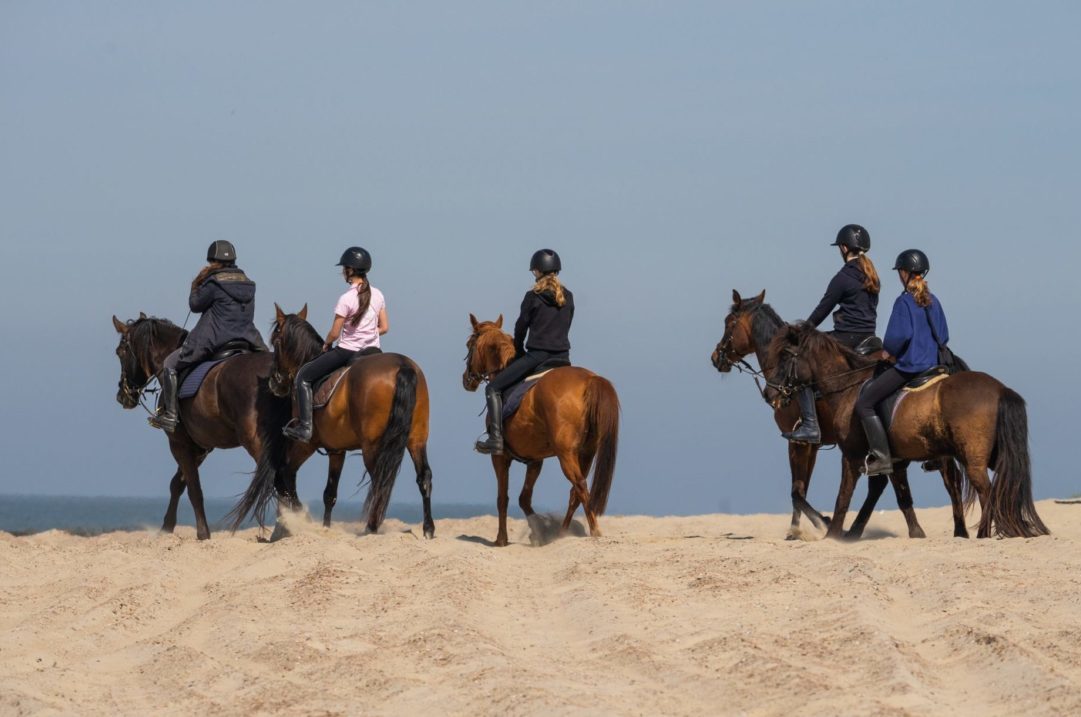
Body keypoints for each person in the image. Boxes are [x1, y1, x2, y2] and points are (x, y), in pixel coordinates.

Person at [149, 241, 269, 432]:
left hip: (215, 339)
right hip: (248, 338)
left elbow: (195, 305)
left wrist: (196, 283)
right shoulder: (248, 284)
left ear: (213, 261)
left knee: (169, 364)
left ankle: (170, 415)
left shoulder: (213, 283)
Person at [783, 224, 881, 444]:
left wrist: (803, 332)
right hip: (870, 335)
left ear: (844, 247)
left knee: (800, 360)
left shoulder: (843, 277)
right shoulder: (872, 275)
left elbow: (822, 310)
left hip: (847, 336)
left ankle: (810, 425)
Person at [854, 249, 948, 476]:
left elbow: (897, 338)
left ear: (904, 273)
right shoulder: (933, 300)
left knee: (864, 403)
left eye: (900, 272)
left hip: (911, 367)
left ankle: (883, 457)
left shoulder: (904, 302)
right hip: (935, 367)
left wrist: (888, 353)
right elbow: (944, 336)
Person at [474, 249, 574, 455]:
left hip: (537, 358)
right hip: (563, 360)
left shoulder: (533, 297)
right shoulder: (569, 297)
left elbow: (521, 328)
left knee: (492, 388)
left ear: (536, 271)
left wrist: (518, 350)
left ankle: (496, 439)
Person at [282, 246, 387, 442]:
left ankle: (305, 428)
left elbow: (334, 332)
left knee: (303, 377)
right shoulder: (378, 294)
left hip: (348, 351)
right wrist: (368, 333)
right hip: (374, 351)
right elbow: (385, 327)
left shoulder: (346, 298)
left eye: (344, 269)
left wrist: (326, 344)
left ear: (349, 270)